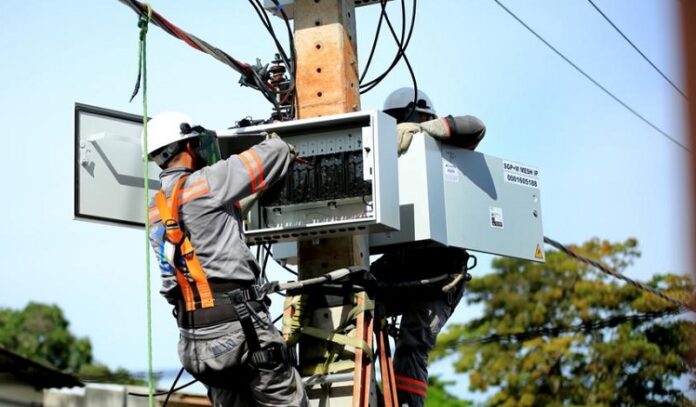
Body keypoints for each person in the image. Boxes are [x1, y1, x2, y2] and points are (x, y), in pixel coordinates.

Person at [145, 112, 308, 407]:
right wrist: (269, 136)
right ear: (189, 146)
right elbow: (277, 151)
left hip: (195, 344)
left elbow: (174, 280)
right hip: (240, 330)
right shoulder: (209, 181)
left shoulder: (155, 211)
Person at [372, 88, 486, 407]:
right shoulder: (385, 154)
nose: (399, 127)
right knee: (353, 299)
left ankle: (407, 404)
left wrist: (424, 132)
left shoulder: (447, 148)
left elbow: (475, 125)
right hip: (401, 263)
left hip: (439, 274)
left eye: (402, 120)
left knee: (413, 338)